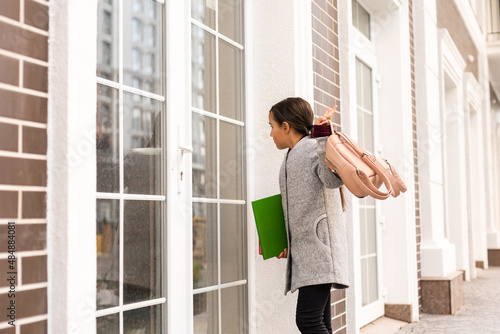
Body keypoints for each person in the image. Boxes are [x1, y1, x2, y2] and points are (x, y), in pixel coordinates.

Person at [268, 97, 349, 334]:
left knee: (308, 321)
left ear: (286, 126)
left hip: (319, 251)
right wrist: (285, 242)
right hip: (308, 253)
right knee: (320, 322)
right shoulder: (291, 155)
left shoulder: (313, 147)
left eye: (272, 126)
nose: (270, 133)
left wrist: (324, 137)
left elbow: (333, 180)